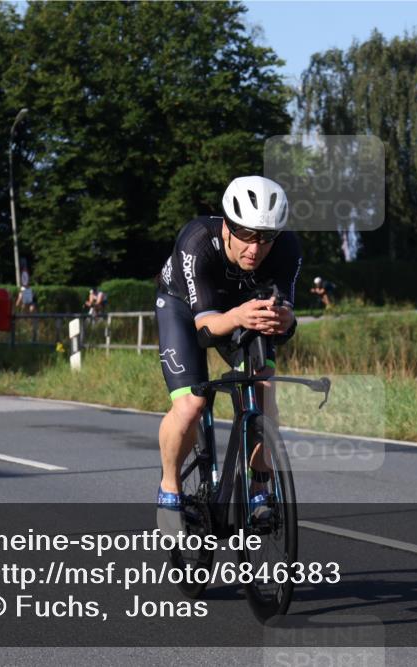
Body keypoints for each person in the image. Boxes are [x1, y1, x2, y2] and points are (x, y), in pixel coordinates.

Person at [154, 175, 301, 515]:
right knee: (191, 404)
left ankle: (259, 486)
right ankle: (169, 489)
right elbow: (205, 329)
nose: (255, 249)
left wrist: (286, 320)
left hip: (243, 307)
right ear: (228, 226)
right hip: (182, 305)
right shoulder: (197, 240)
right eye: (247, 235)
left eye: (266, 238)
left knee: (263, 387)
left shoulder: (287, 246)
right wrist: (237, 316)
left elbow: (288, 318)